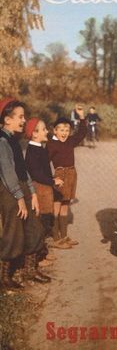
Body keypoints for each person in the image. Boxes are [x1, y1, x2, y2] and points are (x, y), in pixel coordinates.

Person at [0, 98, 50, 289]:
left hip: (21, 188)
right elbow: (7, 172)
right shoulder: (2, 141)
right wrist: (19, 198)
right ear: (7, 119)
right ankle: (4, 275)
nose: (23, 120)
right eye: (20, 117)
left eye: (24, 117)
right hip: (9, 190)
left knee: (34, 227)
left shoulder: (14, 140)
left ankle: (30, 270)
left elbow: (23, 170)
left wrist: (33, 194)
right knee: (13, 230)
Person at [24, 118, 69, 256]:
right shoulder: (32, 151)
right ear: (34, 134)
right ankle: (38, 255)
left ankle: (43, 250)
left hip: (45, 187)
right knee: (40, 221)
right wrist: (52, 181)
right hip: (40, 188)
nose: (47, 131)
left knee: (46, 218)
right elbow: (36, 173)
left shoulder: (40, 148)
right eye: (44, 129)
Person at [46, 108, 86, 247]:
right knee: (56, 206)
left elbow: (82, 133)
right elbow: (44, 163)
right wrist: (52, 179)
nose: (64, 133)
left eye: (67, 130)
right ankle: (56, 238)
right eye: (61, 130)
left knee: (65, 206)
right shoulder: (51, 144)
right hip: (60, 176)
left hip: (71, 174)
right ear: (55, 131)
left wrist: (82, 117)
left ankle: (64, 236)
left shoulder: (70, 141)